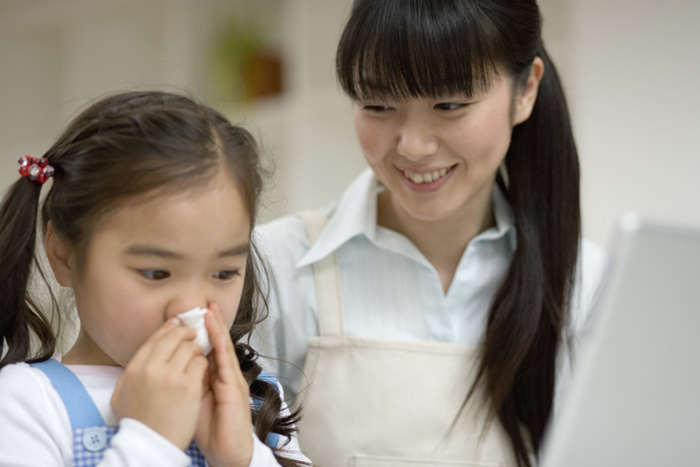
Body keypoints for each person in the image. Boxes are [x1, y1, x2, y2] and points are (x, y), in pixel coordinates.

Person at [252, 1, 608, 466]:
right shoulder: (274, 264)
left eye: (450, 105)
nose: (413, 147)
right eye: (378, 105)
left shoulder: (591, 283)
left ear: (526, 90)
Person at [0, 91, 311, 467]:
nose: (191, 306)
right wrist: (151, 442)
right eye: (156, 273)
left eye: (224, 273)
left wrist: (244, 457)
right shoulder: (26, 401)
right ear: (64, 255)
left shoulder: (254, 398)